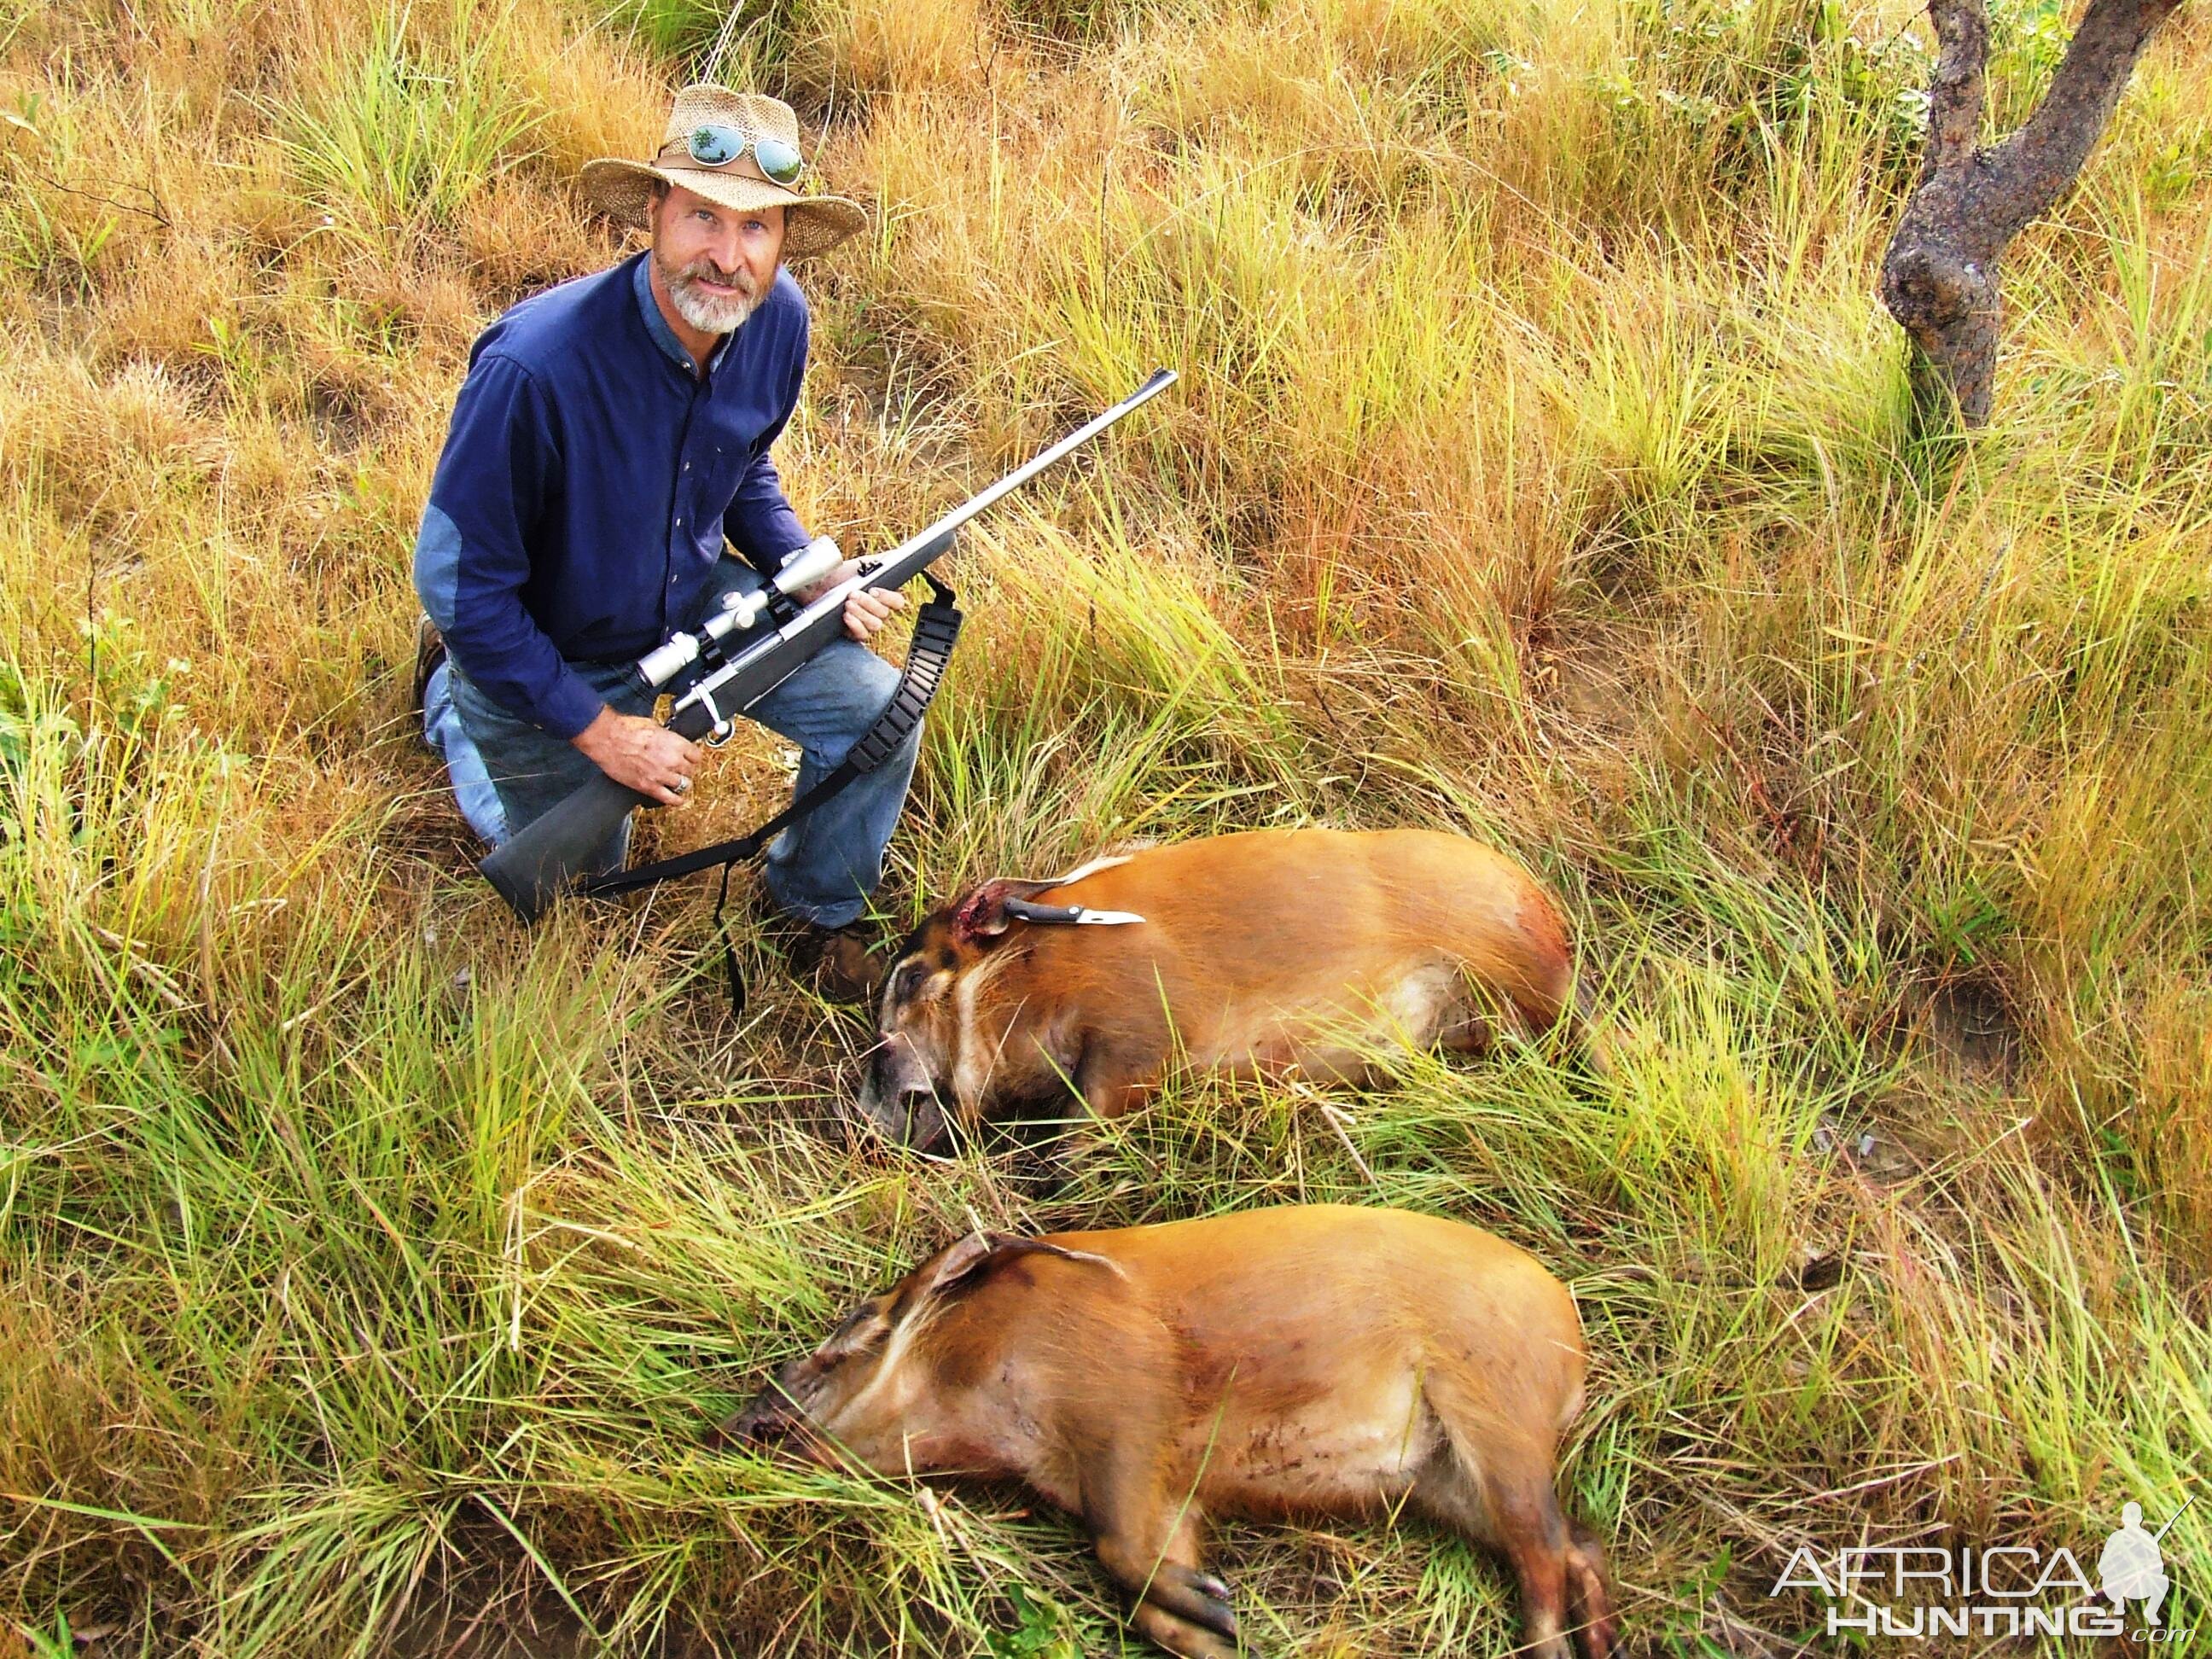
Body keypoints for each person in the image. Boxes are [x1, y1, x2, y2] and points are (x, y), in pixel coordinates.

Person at [410, 84, 913, 1001]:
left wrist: (810, 573)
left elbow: (741, 464)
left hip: (690, 606)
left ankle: (812, 910)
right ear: (653, 213)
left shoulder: (777, 320)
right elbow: (459, 592)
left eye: (758, 230)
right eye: (702, 218)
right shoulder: (533, 369)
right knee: (575, 882)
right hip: (550, 651)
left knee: (878, 711)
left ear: (785, 241)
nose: (728, 257)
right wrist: (603, 733)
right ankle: (452, 706)